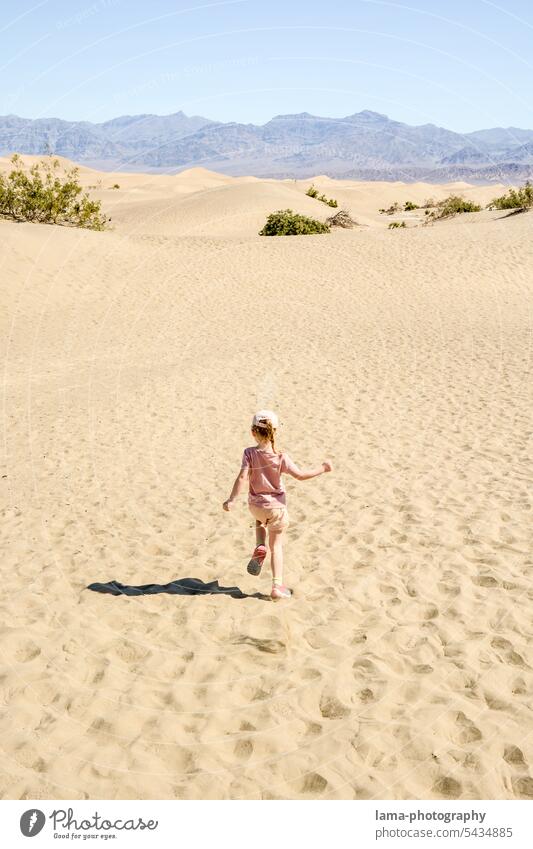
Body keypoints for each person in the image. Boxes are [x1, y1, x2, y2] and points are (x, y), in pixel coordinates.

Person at [223, 410, 332, 600]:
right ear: (275, 432)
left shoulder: (249, 453)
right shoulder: (281, 457)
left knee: (260, 521)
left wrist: (232, 499)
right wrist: (322, 468)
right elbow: (300, 475)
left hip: (255, 506)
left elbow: (242, 477)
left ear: (252, 432)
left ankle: (259, 545)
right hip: (276, 508)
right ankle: (276, 586)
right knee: (277, 547)